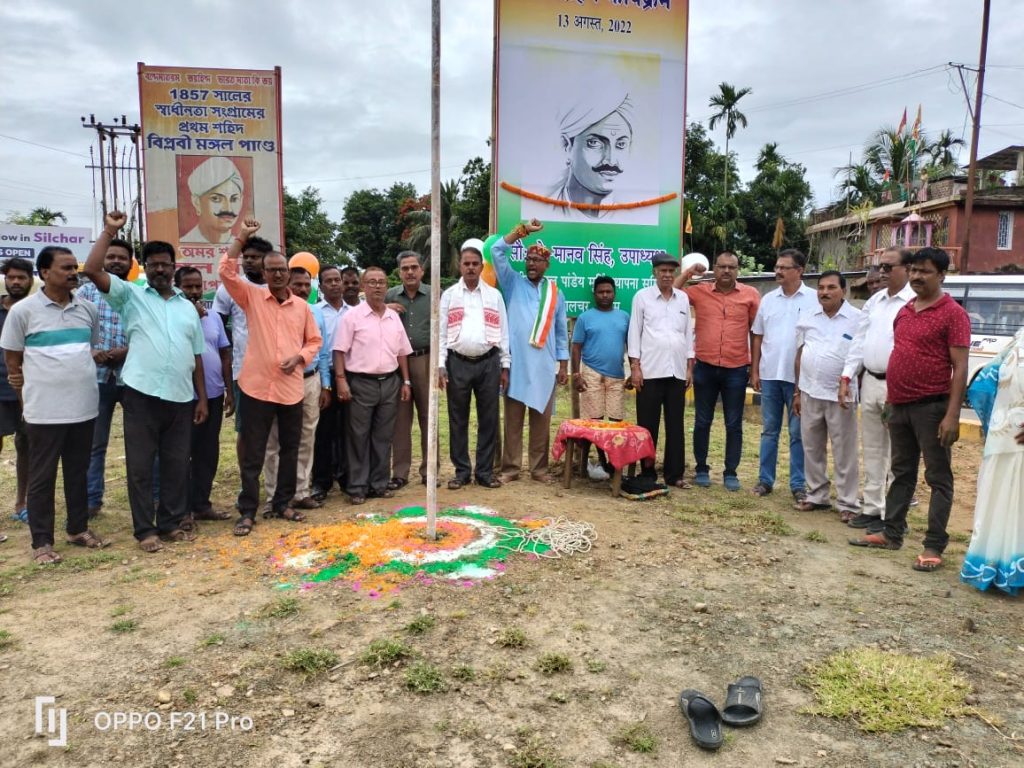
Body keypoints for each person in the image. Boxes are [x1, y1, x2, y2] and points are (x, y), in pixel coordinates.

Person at [83, 212, 208, 553]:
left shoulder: (187, 307)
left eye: (165, 264)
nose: (160, 270)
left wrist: (201, 398)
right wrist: (110, 230)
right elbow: (93, 271)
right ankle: (145, 531)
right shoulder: (130, 296)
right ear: (145, 268)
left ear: (173, 266)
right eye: (153, 265)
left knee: (175, 465)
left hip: (181, 398)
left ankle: (170, 523)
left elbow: (196, 354)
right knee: (139, 467)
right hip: (140, 394)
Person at [849, 247, 971, 573]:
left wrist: (952, 415)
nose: (917, 276)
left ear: (942, 275)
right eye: (914, 270)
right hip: (899, 405)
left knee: (938, 477)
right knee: (901, 473)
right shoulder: (905, 310)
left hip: (932, 408)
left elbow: (960, 368)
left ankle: (933, 545)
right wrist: (891, 401)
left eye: (925, 271)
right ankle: (891, 533)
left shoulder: (952, 314)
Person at [1, 246, 105, 563]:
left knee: (77, 471)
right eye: (65, 268)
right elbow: (13, 360)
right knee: (42, 477)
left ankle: (77, 529)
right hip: (43, 411)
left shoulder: (87, 309)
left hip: (84, 407)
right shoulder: (24, 312)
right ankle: (42, 543)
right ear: (45, 273)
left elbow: (88, 348)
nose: (73, 273)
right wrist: (26, 401)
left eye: (75, 267)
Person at [219, 219, 321, 535]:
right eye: (272, 270)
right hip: (256, 387)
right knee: (254, 452)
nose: (278, 274)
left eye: (282, 270)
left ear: (289, 273)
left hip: (291, 389)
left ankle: (283, 503)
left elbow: (314, 341)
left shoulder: (302, 308)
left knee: (291, 447)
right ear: (264, 274)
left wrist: (300, 358)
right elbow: (225, 271)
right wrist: (242, 238)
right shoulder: (250, 297)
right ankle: (248, 510)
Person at [840, 248, 915, 531]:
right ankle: (872, 509)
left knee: (900, 455)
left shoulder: (914, 302)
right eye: (880, 267)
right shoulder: (875, 302)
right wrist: (847, 376)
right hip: (870, 381)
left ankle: (895, 516)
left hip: (899, 387)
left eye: (888, 267)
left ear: (907, 268)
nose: (882, 272)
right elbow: (858, 343)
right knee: (872, 449)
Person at [675, 251, 760, 491]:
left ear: (737, 269)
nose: (726, 271)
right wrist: (689, 273)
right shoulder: (699, 291)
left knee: (734, 423)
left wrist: (755, 368)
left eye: (731, 267)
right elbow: (673, 293)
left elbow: (756, 332)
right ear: (714, 268)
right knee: (702, 421)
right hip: (705, 366)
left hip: (736, 368)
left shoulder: (750, 295)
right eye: (721, 267)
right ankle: (701, 468)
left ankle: (731, 472)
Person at [491, 220, 569, 482]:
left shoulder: (556, 294)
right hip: (515, 365)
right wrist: (522, 231)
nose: (532, 264)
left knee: (541, 422)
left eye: (537, 260)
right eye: (529, 259)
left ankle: (539, 469)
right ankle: (511, 469)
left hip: (544, 366)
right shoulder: (513, 283)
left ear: (547, 265)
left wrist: (564, 366)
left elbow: (560, 333)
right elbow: (497, 252)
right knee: (512, 421)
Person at [333, 267, 412, 504]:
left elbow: (402, 352)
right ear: (362, 287)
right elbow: (339, 351)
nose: (377, 286)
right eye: (372, 282)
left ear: (387, 287)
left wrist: (406, 380)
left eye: (381, 282)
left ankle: (378, 484)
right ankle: (357, 486)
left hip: (389, 382)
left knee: (383, 436)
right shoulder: (352, 317)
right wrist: (340, 380)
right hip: (360, 383)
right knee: (358, 436)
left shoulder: (393, 317)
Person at [439, 239, 511, 490]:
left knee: (488, 419)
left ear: (482, 267)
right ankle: (461, 471)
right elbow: (441, 332)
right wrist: (441, 365)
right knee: (457, 419)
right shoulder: (449, 296)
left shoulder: (494, 296)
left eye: (475, 264)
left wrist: (505, 365)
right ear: (459, 266)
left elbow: (503, 332)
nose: (470, 268)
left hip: (488, 363)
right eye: (466, 264)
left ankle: (484, 471)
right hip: (457, 363)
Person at [793, 271, 862, 519]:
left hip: (840, 397)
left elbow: (859, 357)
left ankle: (847, 503)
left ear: (843, 290)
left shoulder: (857, 318)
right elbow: (800, 355)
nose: (824, 292)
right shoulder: (808, 317)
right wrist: (797, 392)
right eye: (821, 287)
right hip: (810, 391)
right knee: (812, 447)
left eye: (831, 287)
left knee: (844, 451)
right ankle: (817, 495)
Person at [959, 327, 1024, 595]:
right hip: (1003, 435)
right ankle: (996, 569)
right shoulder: (1020, 336)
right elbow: (986, 382)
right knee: (1000, 497)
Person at [750, 248, 818, 501]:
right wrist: (754, 369)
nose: (778, 271)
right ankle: (765, 480)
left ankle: (798, 484)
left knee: (798, 432)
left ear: (799, 271)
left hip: (800, 379)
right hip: (770, 374)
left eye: (784, 267)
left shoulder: (813, 299)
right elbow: (757, 335)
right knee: (769, 430)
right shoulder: (768, 299)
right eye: (776, 267)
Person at [261, 266, 331, 510]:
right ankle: (274, 496)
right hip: (279, 381)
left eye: (306, 285)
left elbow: (322, 351)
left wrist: (326, 385)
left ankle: (301, 492)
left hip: (310, 380)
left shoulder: (316, 312)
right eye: (298, 284)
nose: (302, 289)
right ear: (288, 282)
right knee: (274, 440)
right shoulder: (271, 309)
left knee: (306, 437)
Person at [628, 251, 695, 488]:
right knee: (647, 425)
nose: (667, 275)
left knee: (676, 424)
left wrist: (689, 367)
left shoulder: (682, 299)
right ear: (654, 272)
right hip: (650, 371)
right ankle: (647, 473)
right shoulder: (642, 297)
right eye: (662, 271)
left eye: (671, 271)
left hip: (676, 371)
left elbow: (688, 334)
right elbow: (634, 333)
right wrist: (635, 368)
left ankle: (675, 475)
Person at [77, 236, 132, 517]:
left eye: (122, 258)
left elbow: (146, 331)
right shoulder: (85, 293)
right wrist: (92, 350)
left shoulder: (136, 292)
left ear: (131, 263)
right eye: (110, 257)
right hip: (96, 377)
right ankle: (91, 500)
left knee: (139, 444)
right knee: (95, 443)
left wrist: (127, 349)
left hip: (131, 376)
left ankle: (149, 498)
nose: (116, 262)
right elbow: (72, 328)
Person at [175, 266, 234, 527]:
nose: (194, 292)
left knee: (208, 452)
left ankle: (202, 504)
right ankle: (182, 509)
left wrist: (229, 391)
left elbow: (224, 353)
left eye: (198, 286)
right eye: (188, 287)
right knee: (181, 453)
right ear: (177, 288)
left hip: (213, 393)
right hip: (183, 397)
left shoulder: (214, 317)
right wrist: (190, 316)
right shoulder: (173, 316)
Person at [213, 233, 272, 466]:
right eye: (246, 257)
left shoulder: (279, 288)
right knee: (246, 430)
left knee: (276, 430)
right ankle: (248, 481)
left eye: (255, 257)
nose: (248, 261)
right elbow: (218, 326)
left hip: (277, 371)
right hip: (244, 370)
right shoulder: (230, 288)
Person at [571, 275, 629, 480]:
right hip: (591, 373)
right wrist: (576, 374)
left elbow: (631, 346)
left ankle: (614, 465)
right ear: (594, 294)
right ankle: (586, 466)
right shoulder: (585, 317)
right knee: (592, 423)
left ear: (614, 294)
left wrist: (634, 371)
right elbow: (576, 347)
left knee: (616, 423)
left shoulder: (624, 317)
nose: (605, 295)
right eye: (600, 292)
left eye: (609, 292)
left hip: (616, 376)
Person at [385, 251, 435, 489]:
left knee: (429, 417)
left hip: (426, 360)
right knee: (401, 421)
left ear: (422, 270)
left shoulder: (434, 294)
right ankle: (400, 473)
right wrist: (386, 309)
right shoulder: (389, 296)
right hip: (398, 364)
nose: (410, 272)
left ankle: (429, 471)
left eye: (414, 267)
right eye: (405, 268)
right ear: (399, 272)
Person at [311, 265, 361, 500]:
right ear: (320, 286)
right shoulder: (315, 312)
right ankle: (321, 481)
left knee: (348, 430)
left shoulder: (354, 312)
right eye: (328, 281)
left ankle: (346, 477)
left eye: (336, 280)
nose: (334, 284)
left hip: (351, 374)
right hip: (324, 374)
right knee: (324, 431)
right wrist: (326, 384)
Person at [551, 93, 633, 220]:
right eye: (594, 143)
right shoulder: (540, 209)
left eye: (621, 144)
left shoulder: (637, 214)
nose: (611, 161)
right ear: (567, 147)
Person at [0, 258, 35, 523]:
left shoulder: (33, 311)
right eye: (11, 277)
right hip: (0, 390)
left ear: (31, 280)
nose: (16, 282)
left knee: (26, 445)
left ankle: (22, 502)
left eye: (21, 278)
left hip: (29, 390)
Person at [181, 156, 244, 244]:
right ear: (197, 203)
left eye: (234, 199)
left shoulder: (245, 249)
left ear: (241, 201)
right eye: (216, 199)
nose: (228, 209)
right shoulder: (183, 245)